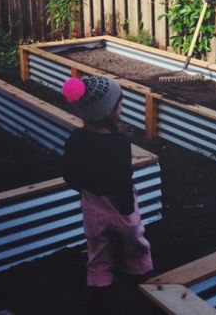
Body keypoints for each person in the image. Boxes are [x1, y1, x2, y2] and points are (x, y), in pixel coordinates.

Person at [61, 75, 153, 311]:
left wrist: (86, 188)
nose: (121, 108)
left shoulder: (75, 139)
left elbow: (69, 175)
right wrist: (127, 209)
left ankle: (99, 284)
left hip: (92, 205)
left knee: (98, 246)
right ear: (110, 111)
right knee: (134, 240)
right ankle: (139, 270)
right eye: (119, 104)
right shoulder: (119, 143)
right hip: (120, 204)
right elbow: (122, 179)